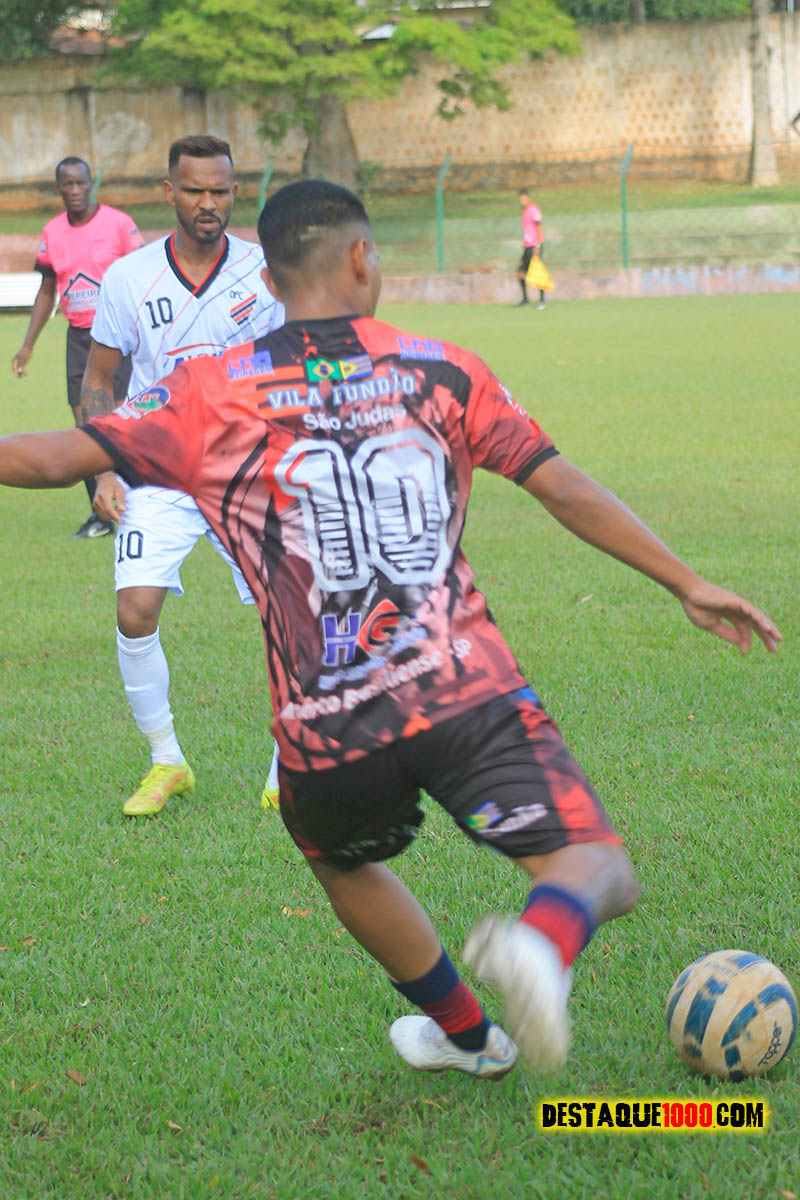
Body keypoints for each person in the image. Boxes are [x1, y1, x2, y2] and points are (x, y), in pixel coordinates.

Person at [0, 180, 781, 1080]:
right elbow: (561, 485)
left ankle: (466, 1036)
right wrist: (686, 581)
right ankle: (541, 941)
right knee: (596, 865)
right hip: (464, 688)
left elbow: (57, 455)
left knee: (339, 861)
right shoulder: (442, 369)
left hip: (326, 725)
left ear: (270, 280)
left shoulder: (208, 392)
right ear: (363, 260)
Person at [80, 134, 284, 817]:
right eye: (194, 190)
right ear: (169, 191)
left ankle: (288, 765)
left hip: (245, 469)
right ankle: (167, 760)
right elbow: (99, 380)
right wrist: (105, 469)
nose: (207, 203)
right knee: (134, 610)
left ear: (236, 193)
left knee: (285, 613)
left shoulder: (265, 272)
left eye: (220, 191)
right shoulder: (128, 277)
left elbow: (296, 365)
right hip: (157, 467)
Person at [11, 156, 143, 537]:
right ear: (58, 188)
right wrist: (27, 346)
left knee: (125, 422)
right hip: (80, 338)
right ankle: (101, 517)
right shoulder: (52, 231)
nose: (74, 190)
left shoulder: (119, 224)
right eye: (66, 184)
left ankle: (141, 505)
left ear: (90, 183)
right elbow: (47, 290)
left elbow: (144, 278)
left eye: (80, 183)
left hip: (120, 337)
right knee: (87, 427)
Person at [517, 189, 546, 310]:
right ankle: (525, 299)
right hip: (527, 246)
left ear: (529, 199)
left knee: (537, 272)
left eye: (524, 199)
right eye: (521, 200)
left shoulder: (534, 209)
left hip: (534, 246)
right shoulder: (524, 211)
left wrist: (537, 246)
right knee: (520, 272)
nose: (522, 202)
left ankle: (542, 301)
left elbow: (539, 227)